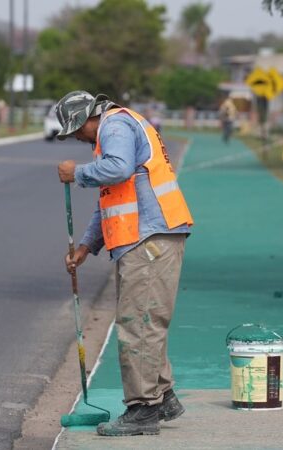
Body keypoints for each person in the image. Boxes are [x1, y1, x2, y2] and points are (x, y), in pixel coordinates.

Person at [55, 90, 194, 435]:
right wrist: (87, 245)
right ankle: (163, 398)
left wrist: (78, 173)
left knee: (138, 324)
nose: (75, 136)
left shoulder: (114, 127)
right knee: (145, 319)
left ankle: (142, 411)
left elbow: (117, 170)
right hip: (146, 238)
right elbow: (110, 201)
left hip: (150, 238)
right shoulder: (113, 133)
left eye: (76, 129)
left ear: (90, 116)